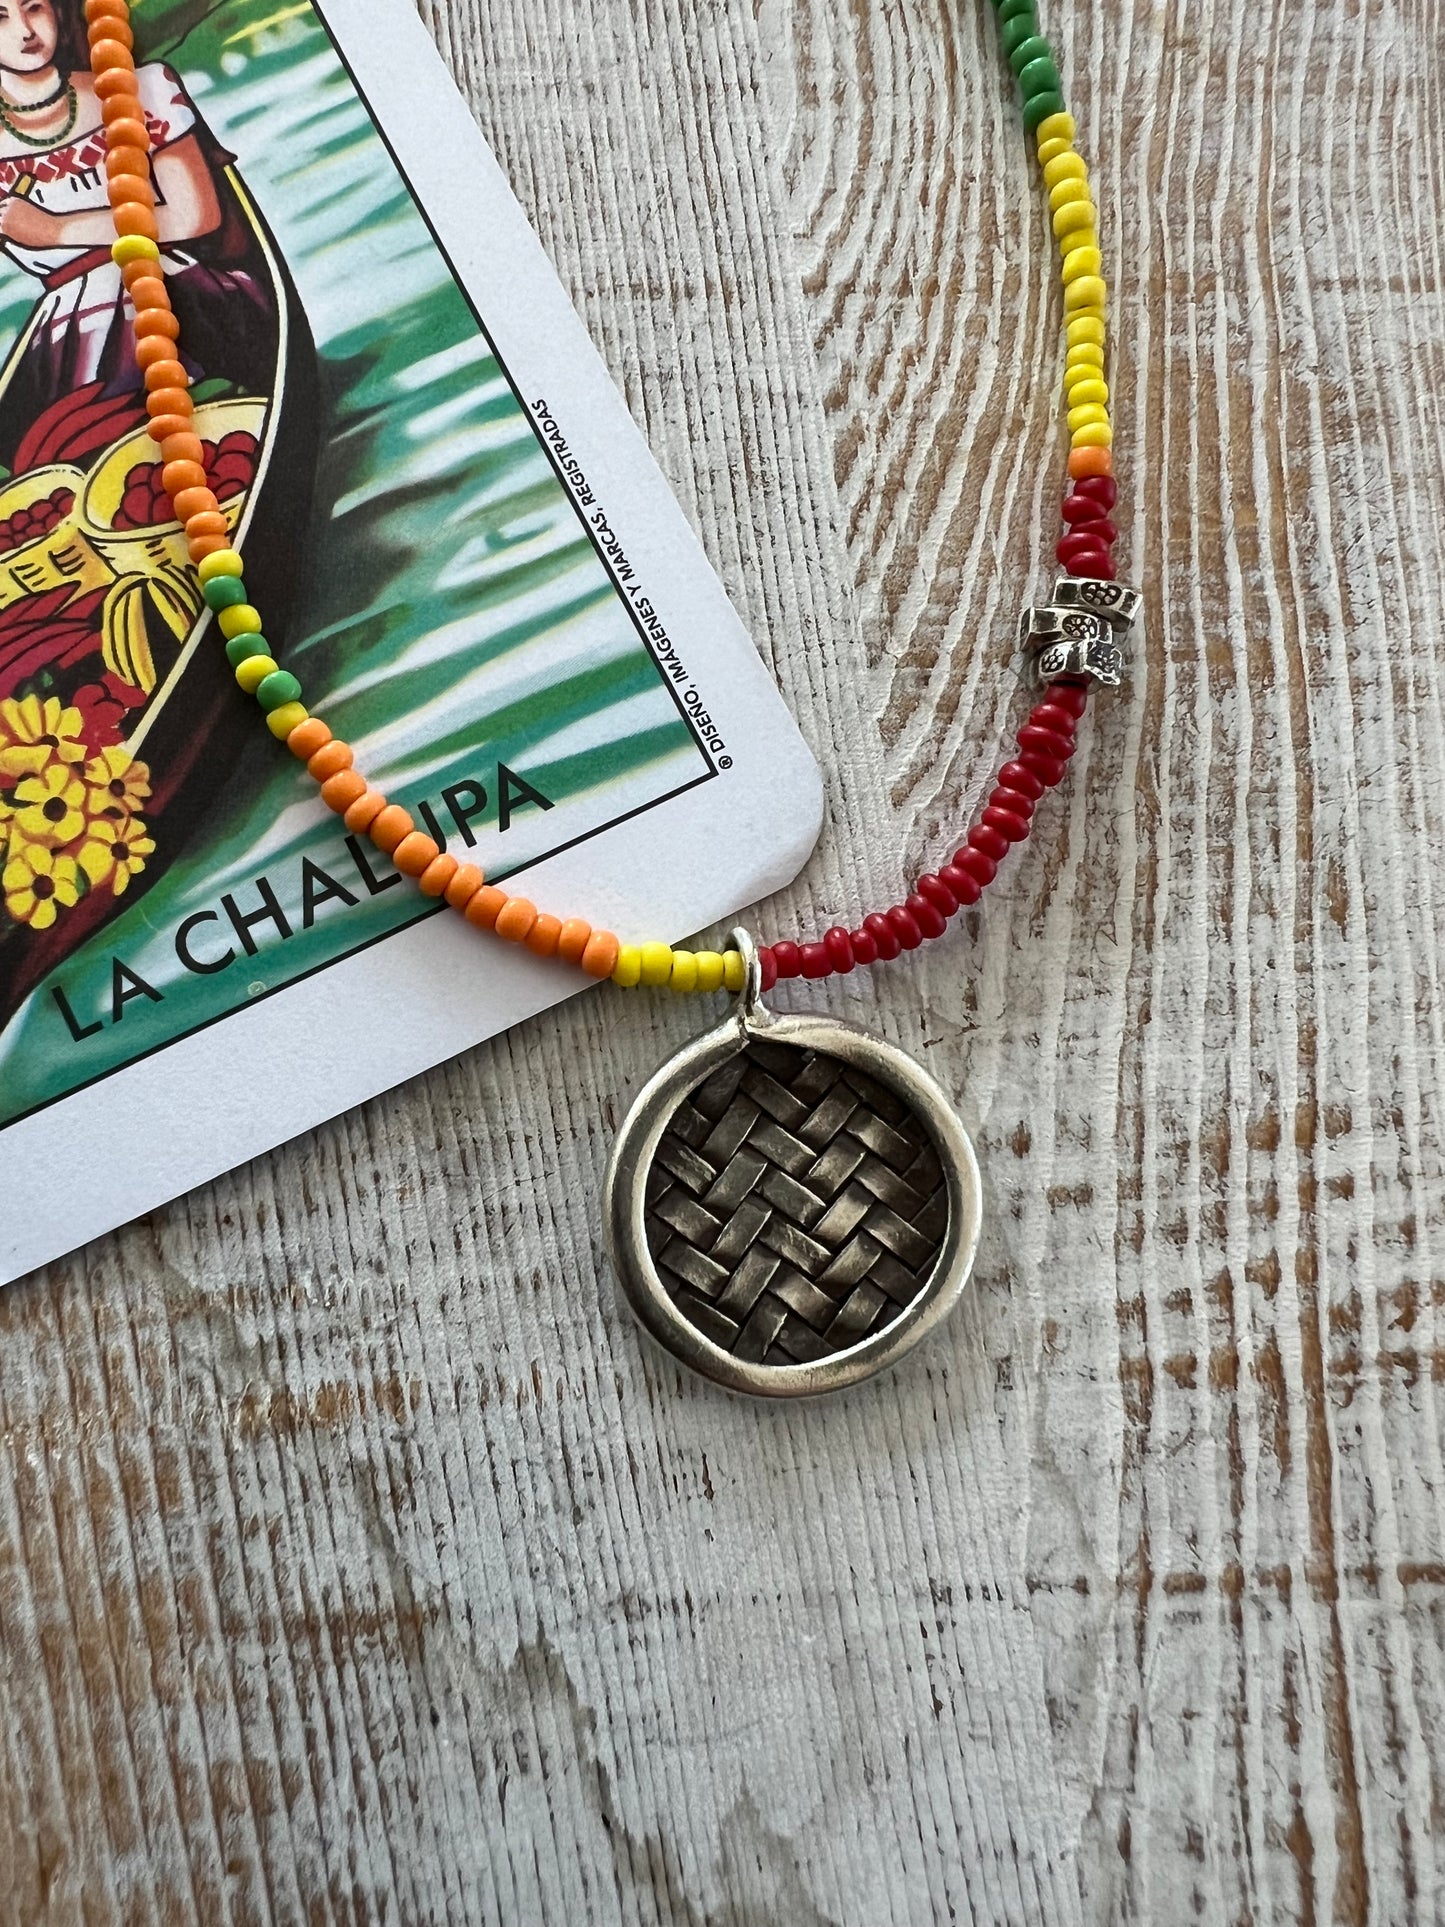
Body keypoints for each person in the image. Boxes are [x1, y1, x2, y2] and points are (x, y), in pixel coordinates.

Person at [0, 0, 275, 468]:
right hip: (71, 324)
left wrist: (55, 231)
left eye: (35, 8)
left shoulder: (144, 89)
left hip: (183, 290)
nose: (25, 31)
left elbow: (194, 217)